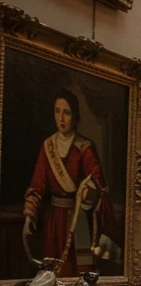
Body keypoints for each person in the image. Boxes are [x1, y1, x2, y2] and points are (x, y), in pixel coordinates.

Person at [23, 89, 119, 275]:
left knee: (79, 271)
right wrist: (30, 214)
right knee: (53, 272)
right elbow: (37, 185)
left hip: (78, 218)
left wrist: (88, 193)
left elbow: (100, 186)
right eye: (57, 111)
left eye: (66, 112)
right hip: (54, 220)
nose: (61, 118)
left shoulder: (84, 147)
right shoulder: (47, 146)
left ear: (75, 116)